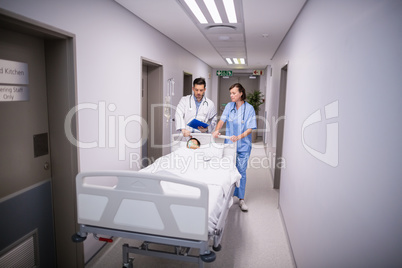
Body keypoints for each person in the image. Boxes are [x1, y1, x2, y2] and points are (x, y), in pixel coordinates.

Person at [212, 83, 257, 212]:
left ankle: (241, 199)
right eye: (230, 93)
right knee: (228, 169)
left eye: (234, 93)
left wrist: (239, 137)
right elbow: (222, 121)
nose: (231, 95)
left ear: (241, 93)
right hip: (230, 146)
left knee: (241, 171)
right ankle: (227, 197)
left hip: (243, 145)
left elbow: (250, 129)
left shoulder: (249, 109)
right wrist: (216, 130)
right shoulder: (229, 106)